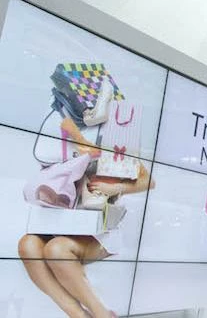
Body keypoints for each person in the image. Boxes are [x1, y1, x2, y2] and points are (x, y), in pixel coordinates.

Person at [19, 114, 154, 318]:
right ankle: (78, 315)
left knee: (56, 249)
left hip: (98, 229)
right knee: (27, 245)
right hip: (61, 220)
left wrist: (116, 187)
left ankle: (101, 314)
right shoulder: (61, 122)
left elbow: (148, 181)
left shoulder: (117, 132)